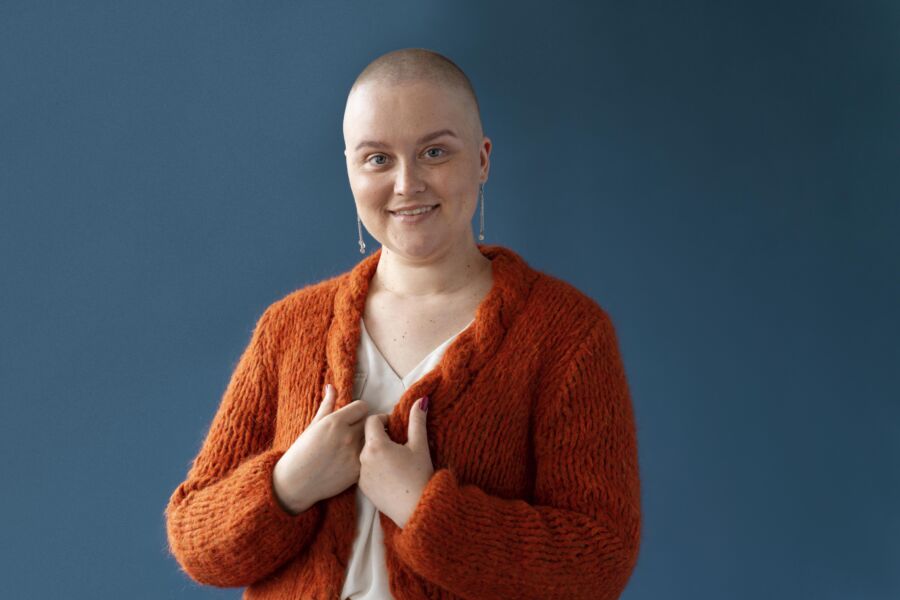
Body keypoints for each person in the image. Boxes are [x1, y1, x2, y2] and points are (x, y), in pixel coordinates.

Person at [164, 48, 642, 600]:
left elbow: (600, 559)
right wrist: (289, 484)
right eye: (378, 159)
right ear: (350, 171)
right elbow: (195, 542)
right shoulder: (289, 327)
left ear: (482, 160)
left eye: (434, 152)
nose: (407, 183)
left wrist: (425, 510)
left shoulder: (568, 334)